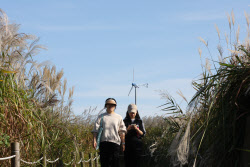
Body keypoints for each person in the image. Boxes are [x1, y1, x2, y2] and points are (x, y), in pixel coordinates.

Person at [92, 98, 126, 167]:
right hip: (104, 143)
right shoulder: (101, 116)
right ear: (106, 105)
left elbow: (122, 131)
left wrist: (123, 143)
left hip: (115, 143)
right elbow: (96, 129)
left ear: (115, 106)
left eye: (113, 105)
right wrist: (94, 140)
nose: (111, 106)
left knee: (115, 163)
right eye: (109, 104)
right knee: (105, 163)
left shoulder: (118, 117)